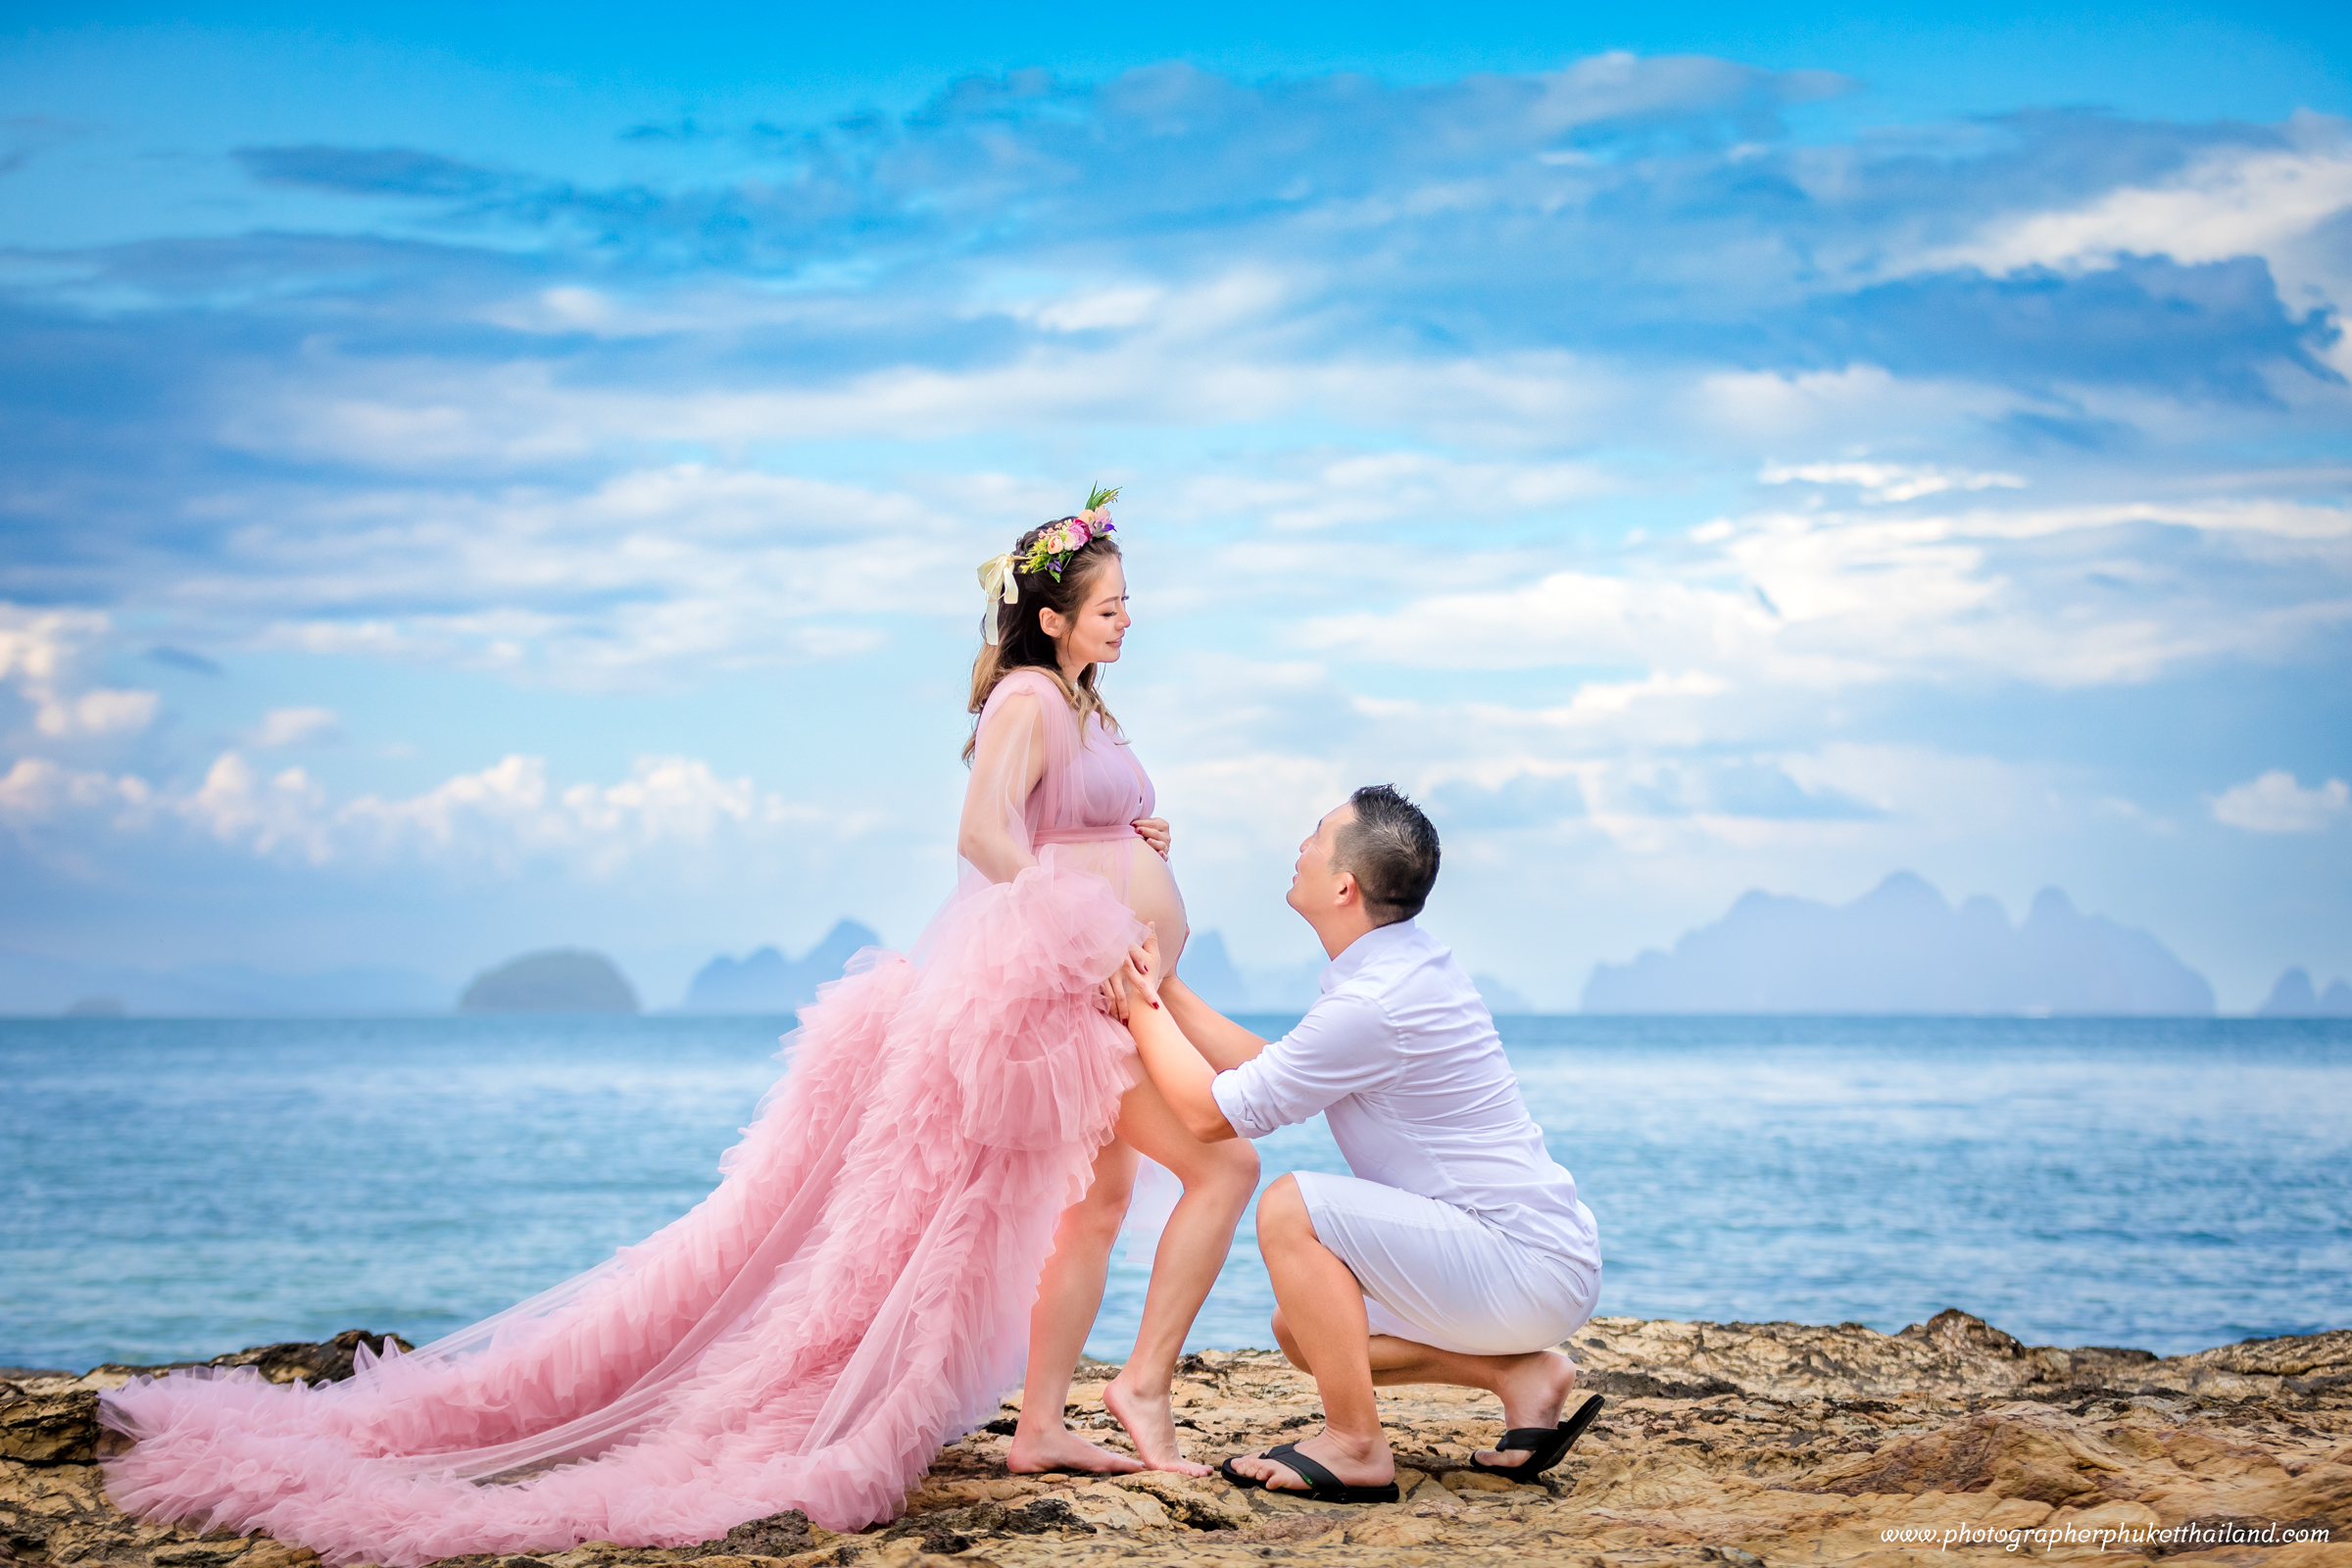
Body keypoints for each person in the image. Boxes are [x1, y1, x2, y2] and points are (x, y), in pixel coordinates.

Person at [97, 490, 1257, 1566]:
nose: (1126, 621)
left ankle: (1045, 1420)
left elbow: (1067, 824)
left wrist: (1135, 845)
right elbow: (985, 836)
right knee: (1207, 1161)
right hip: (1061, 992)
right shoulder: (1021, 700)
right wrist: (1088, 917)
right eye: (1108, 607)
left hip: (1096, 996)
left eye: (1126, 606)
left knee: (1096, 1202)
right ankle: (1127, 1392)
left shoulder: (1076, 701)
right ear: (1050, 615)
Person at [1116, 785, 1605, 1503]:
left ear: (1344, 885)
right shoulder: (1398, 969)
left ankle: (1355, 1445)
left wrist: (1138, 1003)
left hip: (1519, 1261)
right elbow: (1276, 1066)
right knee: (1304, 1330)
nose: (1301, 848)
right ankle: (1521, 1376)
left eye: (1315, 837)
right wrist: (1167, 987)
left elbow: (1210, 1117)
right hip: (1531, 1259)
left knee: (1290, 1207)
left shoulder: (1373, 1002)